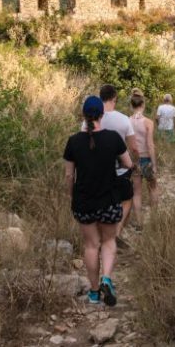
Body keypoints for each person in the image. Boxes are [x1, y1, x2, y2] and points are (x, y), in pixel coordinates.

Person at [64, 96, 133, 306]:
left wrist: (71, 195)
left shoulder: (73, 141)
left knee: (91, 245)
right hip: (109, 200)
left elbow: (69, 176)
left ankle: (94, 293)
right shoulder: (113, 138)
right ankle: (107, 278)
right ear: (102, 115)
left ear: (83, 116)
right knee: (109, 242)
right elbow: (128, 164)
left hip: (84, 202)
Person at [98, 84, 138, 243]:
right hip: (120, 170)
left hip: (98, 170)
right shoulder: (124, 119)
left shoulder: (92, 119)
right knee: (126, 199)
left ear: (100, 98)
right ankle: (116, 232)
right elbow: (133, 147)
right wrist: (135, 162)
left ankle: (102, 234)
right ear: (114, 99)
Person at [129, 89, 158, 224]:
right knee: (153, 187)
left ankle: (139, 223)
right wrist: (154, 163)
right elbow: (150, 144)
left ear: (131, 105)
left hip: (134, 159)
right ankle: (154, 219)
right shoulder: (148, 122)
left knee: (137, 192)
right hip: (146, 159)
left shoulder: (127, 121)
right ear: (143, 105)